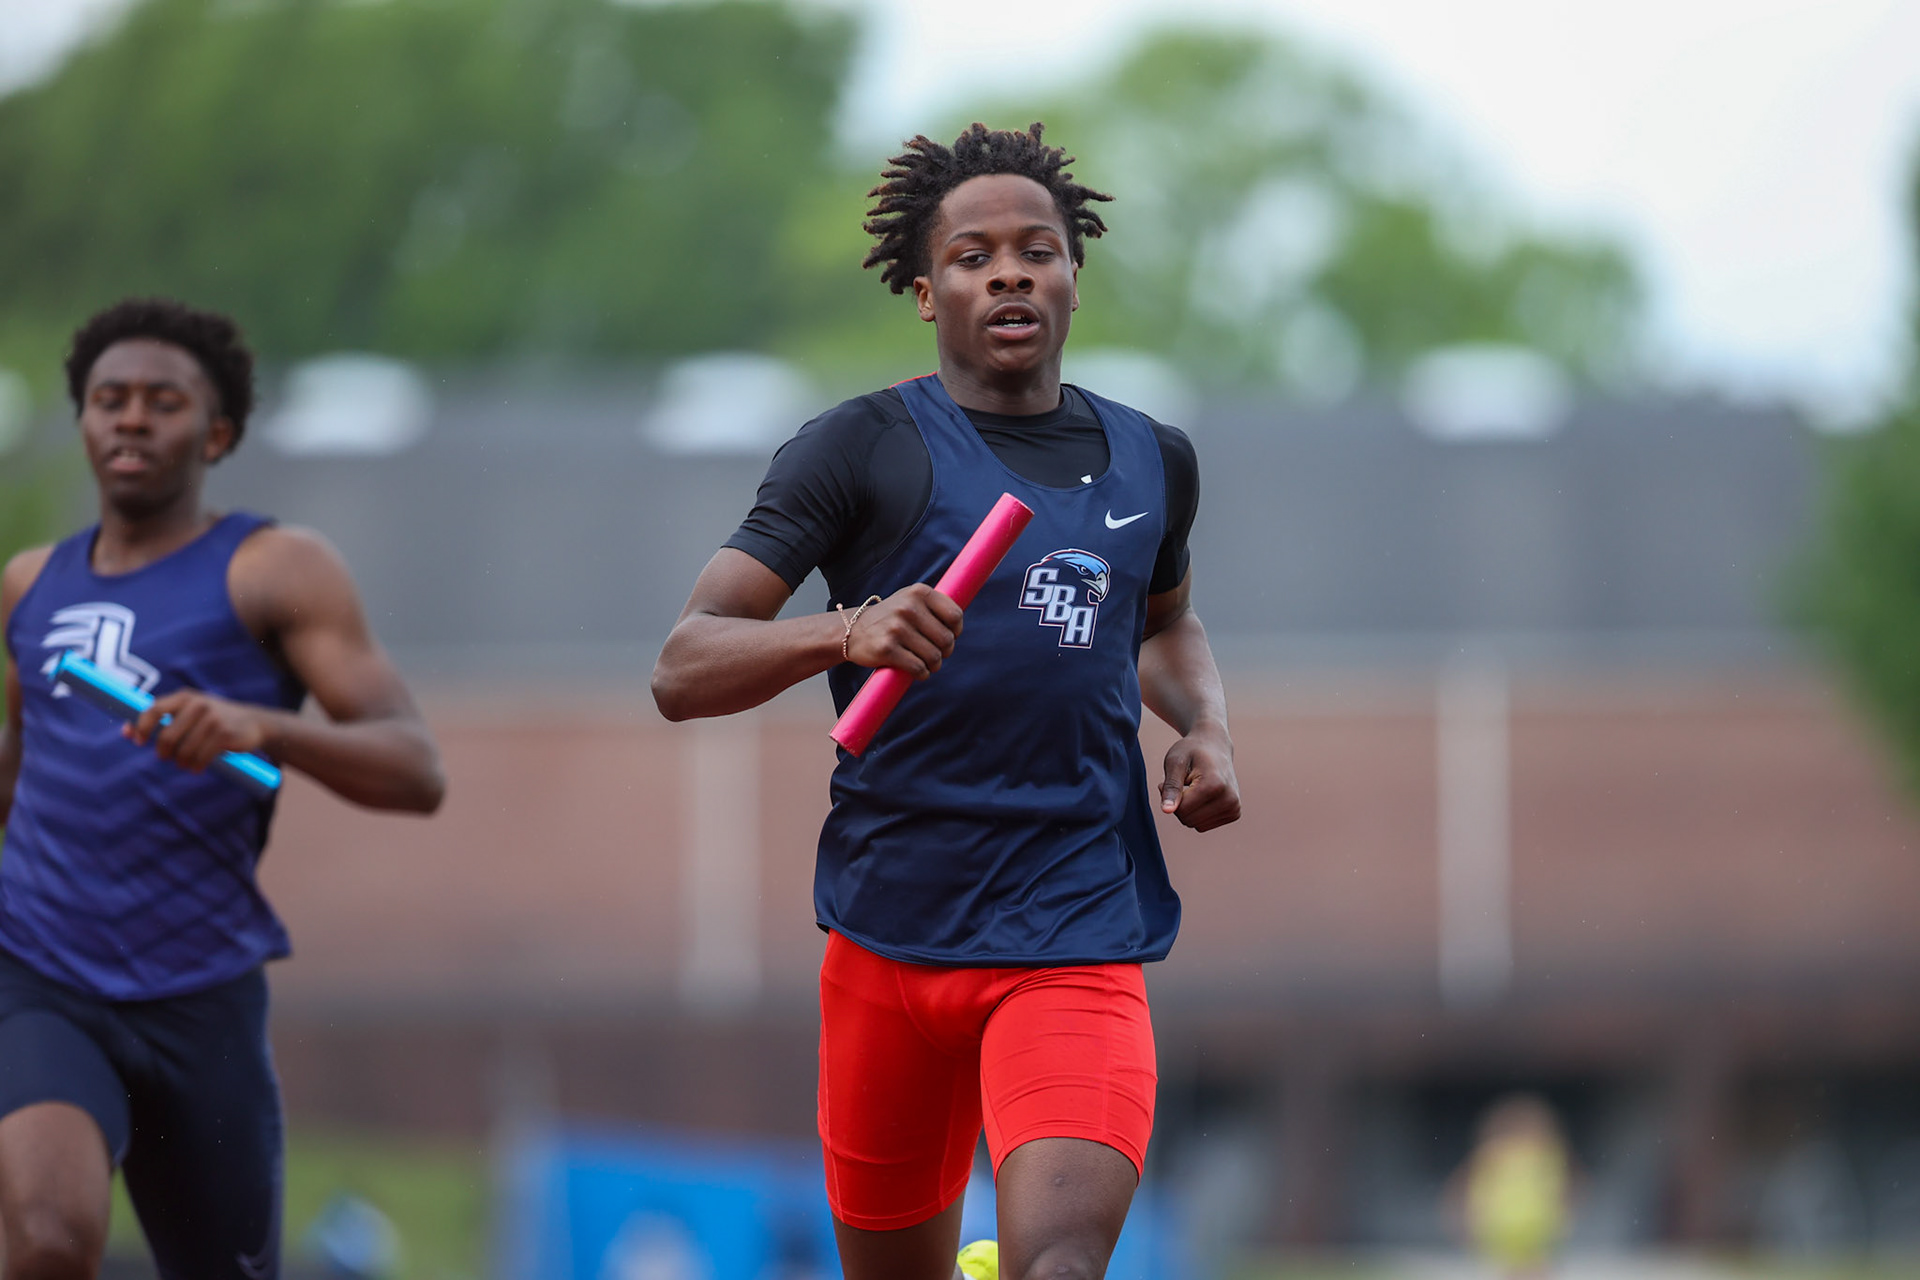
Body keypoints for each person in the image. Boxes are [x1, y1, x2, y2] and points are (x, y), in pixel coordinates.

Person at [652, 123, 1241, 1280]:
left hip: (1072, 923)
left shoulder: (1152, 458)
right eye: (974, 256)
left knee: (1057, 1265)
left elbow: (1165, 623)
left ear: (1074, 275)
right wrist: (847, 626)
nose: (1011, 270)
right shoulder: (856, 448)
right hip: (887, 935)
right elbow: (684, 662)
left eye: (1039, 249)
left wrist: (1204, 724)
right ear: (926, 292)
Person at [0, 298, 446, 1280]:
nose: (129, 418)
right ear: (81, 420)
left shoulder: (276, 568)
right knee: (46, 1234)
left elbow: (418, 768)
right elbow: (14, 768)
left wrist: (266, 725)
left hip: (199, 988)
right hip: (40, 969)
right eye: (109, 399)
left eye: (162, 401)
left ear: (218, 432)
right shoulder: (27, 586)